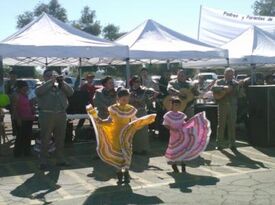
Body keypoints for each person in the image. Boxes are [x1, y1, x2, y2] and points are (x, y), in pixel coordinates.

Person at [87, 88, 156, 184]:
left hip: (127, 135)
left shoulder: (131, 109)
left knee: (127, 154)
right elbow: (109, 120)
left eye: (127, 99)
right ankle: (119, 175)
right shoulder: (114, 109)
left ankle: (126, 173)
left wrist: (142, 121)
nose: (126, 101)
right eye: (123, 99)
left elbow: (134, 120)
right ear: (118, 98)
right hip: (115, 135)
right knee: (118, 155)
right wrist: (100, 121)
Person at [35, 69, 74, 170]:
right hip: (46, 114)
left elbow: (71, 93)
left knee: (60, 138)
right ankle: (43, 160)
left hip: (61, 114)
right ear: (44, 77)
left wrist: (62, 82)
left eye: (54, 75)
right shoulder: (41, 85)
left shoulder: (60, 85)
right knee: (45, 138)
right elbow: (39, 92)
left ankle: (60, 158)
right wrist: (50, 81)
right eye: (48, 75)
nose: (52, 77)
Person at [163, 97, 211, 173]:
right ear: (172, 105)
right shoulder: (168, 115)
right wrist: (172, 129)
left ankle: (183, 165)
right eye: (175, 105)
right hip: (174, 135)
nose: (177, 107)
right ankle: (174, 165)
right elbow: (165, 124)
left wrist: (188, 126)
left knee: (184, 149)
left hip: (182, 135)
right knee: (174, 149)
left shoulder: (182, 115)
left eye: (178, 105)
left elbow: (183, 123)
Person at [212, 68, 240, 150]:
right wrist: (224, 88)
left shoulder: (236, 83)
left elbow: (239, 95)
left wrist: (238, 88)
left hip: (233, 106)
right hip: (222, 105)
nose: (230, 76)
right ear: (224, 74)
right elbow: (213, 88)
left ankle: (232, 143)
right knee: (221, 125)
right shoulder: (220, 82)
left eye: (231, 75)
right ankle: (219, 144)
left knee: (232, 125)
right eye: (228, 74)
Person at [129, 76, 158, 154]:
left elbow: (148, 103)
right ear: (132, 82)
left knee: (143, 132)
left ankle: (143, 149)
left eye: (139, 82)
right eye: (136, 81)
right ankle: (134, 149)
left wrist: (154, 97)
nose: (137, 83)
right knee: (134, 132)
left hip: (142, 113)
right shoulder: (128, 91)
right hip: (131, 114)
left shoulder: (143, 91)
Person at [13, 80, 35, 157]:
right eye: (24, 88)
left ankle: (27, 152)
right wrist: (18, 119)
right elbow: (15, 109)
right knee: (20, 137)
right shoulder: (16, 95)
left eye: (27, 88)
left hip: (29, 118)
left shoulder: (26, 95)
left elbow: (29, 106)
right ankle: (17, 153)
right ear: (19, 88)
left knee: (28, 136)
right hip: (22, 119)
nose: (26, 89)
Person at [4, 70, 17, 136]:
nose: (13, 77)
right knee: (13, 118)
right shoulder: (8, 83)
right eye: (12, 76)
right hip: (12, 104)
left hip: (18, 103)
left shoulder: (18, 83)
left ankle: (18, 131)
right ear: (10, 76)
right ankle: (14, 132)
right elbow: (6, 93)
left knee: (19, 117)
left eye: (14, 76)